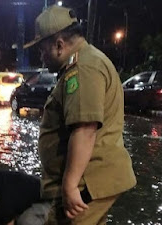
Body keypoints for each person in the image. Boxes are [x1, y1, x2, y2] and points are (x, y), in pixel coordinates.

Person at [24, 5, 137, 224]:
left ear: (59, 44)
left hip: (87, 183)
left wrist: (70, 185)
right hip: (92, 180)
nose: (40, 56)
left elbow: (85, 129)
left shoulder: (83, 68)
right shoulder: (87, 62)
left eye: (42, 48)